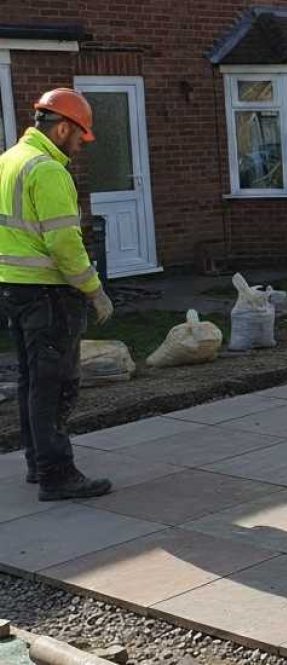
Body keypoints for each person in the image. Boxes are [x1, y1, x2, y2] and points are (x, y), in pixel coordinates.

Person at [0, 88, 115, 500]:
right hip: (49, 293)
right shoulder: (47, 170)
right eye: (79, 137)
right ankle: (57, 474)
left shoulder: (8, 160)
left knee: (33, 380)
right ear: (62, 127)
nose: (79, 147)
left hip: (14, 288)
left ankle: (38, 462)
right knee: (56, 384)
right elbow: (64, 243)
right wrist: (94, 290)